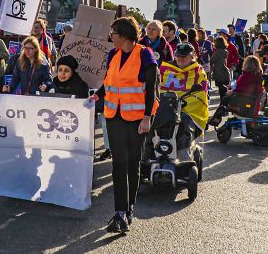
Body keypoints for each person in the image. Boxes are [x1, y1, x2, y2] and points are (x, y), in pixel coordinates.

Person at [89, 17, 158, 234]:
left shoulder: (144, 54)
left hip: (139, 117)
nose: (111, 36)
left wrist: (147, 117)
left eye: (113, 32)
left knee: (132, 162)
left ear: (125, 35)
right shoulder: (113, 54)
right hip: (114, 115)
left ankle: (129, 209)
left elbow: (152, 88)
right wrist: (97, 96)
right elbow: (109, 82)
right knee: (119, 163)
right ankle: (119, 213)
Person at [159, 43, 209, 135]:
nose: (180, 58)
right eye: (178, 55)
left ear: (192, 56)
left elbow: (201, 95)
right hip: (165, 108)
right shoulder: (164, 69)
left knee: (185, 132)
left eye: (184, 56)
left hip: (188, 112)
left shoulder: (199, 72)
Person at [210, 35, 231, 100]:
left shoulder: (217, 52)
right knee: (225, 91)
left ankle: (222, 104)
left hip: (219, 73)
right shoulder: (225, 51)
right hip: (225, 72)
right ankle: (225, 104)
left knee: (221, 92)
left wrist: (212, 69)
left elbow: (211, 61)